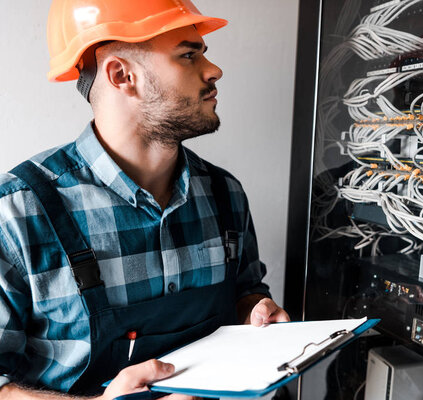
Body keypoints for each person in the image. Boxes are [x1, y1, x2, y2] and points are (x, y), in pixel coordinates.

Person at [0, 1, 289, 399]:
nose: (214, 70)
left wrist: (255, 308)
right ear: (122, 75)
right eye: (188, 55)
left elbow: (246, 290)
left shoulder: (225, 194)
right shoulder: (18, 212)